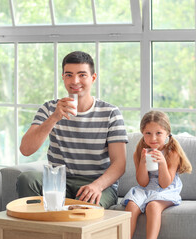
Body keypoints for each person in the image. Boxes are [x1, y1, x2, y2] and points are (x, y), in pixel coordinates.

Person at [17, 51, 128, 208]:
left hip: (96, 184)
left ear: (93, 78)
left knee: (85, 209)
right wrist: (54, 117)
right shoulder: (49, 109)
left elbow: (119, 163)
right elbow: (26, 149)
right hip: (59, 181)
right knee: (26, 179)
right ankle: (40, 230)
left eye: (82, 75)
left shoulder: (110, 113)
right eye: (69, 75)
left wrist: (97, 186)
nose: (75, 81)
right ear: (63, 77)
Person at [121, 110, 192, 239]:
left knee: (153, 206)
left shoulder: (172, 152)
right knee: (131, 205)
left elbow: (165, 183)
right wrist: (142, 162)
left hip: (166, 188)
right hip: (147, 187)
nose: (153, 138)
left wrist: (163, 163)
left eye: (158, 133)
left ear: (167, 133)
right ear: (142, 133)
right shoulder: (139, 151)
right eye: (148, 133)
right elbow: (142, 183)